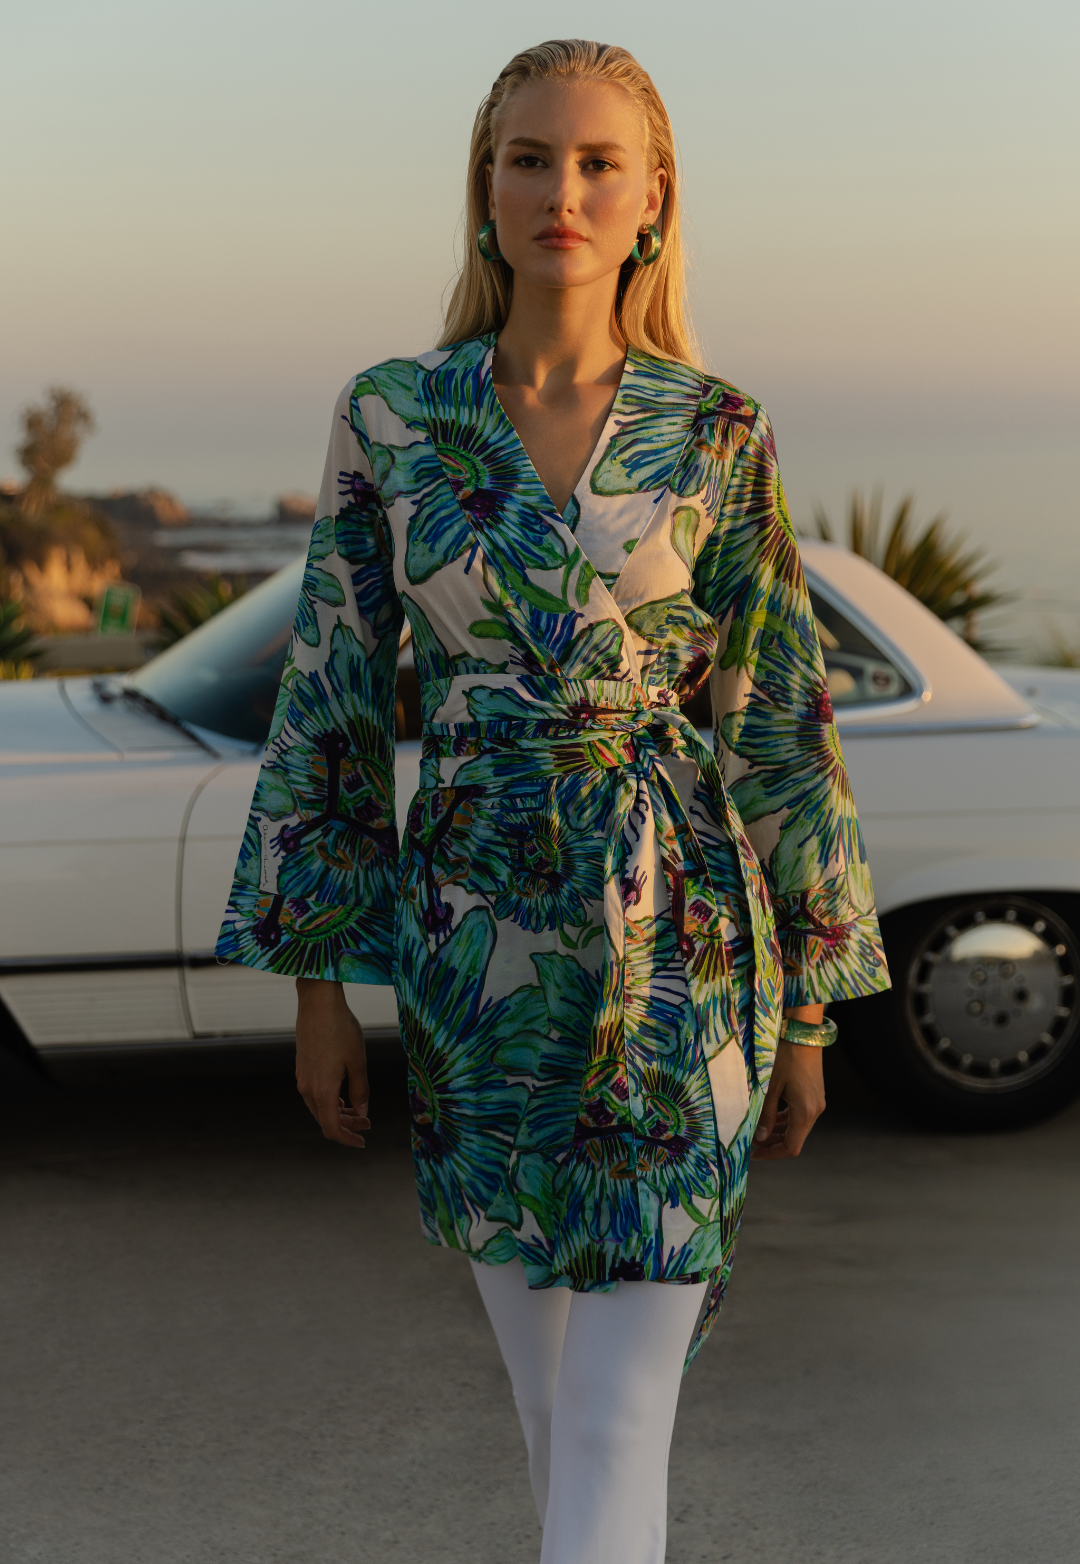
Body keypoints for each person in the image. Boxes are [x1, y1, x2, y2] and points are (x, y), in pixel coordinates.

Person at [217, 37, 890, 1564]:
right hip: (478, 954)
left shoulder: (717, 429)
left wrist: (815, 1011)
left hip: (687, 954)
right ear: (485, 188)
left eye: (599, 164)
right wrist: (324, 988)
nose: (562, 192)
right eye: (530, 158)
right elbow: (327, 695)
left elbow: (781, 718)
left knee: (612, 1416)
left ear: (654, 202)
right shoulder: (392, 415)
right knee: (546, 1404)